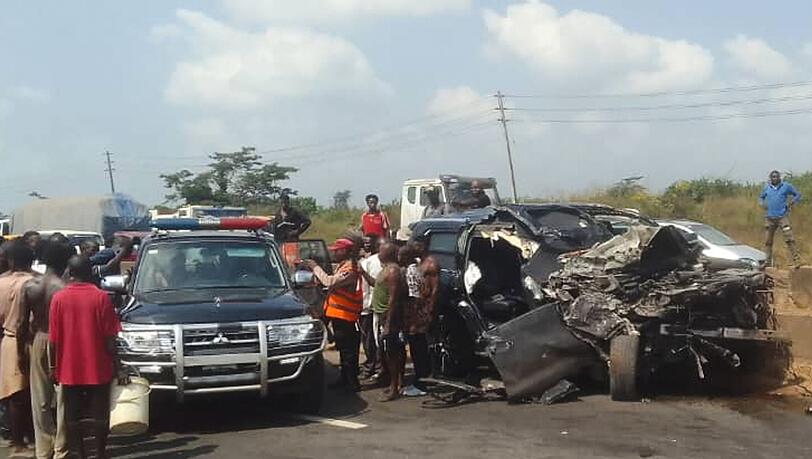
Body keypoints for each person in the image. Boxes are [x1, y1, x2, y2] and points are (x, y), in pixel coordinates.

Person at [49, 256, 123, 459]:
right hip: (98, 366)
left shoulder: (59, 298)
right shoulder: (101, 297)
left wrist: (53, 367)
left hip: (69, 366)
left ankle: (80, 454)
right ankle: (99, 453)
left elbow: (53, 339)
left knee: (71, 415)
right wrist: (119, 365)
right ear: (90, 273)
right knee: (100, 414)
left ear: (69, 273)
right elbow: (110, 338)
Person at [18, 241, 73, 459]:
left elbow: (22, 323)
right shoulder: (65, 289)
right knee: (63, 398)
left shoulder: (30, 286)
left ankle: (43, 449)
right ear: (64, 263)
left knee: (39, 399)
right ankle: (61, 449)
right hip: (62, 342)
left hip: (38, 339)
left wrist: (21, 352)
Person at [304, 238, 363, 392]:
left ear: (345, 251)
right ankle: (344, 379)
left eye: (337, 250)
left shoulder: (350, 268)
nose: (334, 253)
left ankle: (352, 383)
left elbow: (330, 282)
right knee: (343, 350)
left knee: (348, 352)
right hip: (339, 315)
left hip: (347, 316)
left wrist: (315, 267)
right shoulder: (344, 266)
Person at [0, 240, 36, 457]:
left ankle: (17, 440)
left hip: (9, 339)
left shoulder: (1, 283)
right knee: (31, 394)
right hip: (33, 340)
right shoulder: (36, 282)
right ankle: (25, 439)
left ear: (10, 260)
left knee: (13, 394)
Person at [369, 243, 406, 401]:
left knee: (392, 353)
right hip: (382, 315)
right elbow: (376, 285)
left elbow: (393, 299)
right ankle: (395, 384)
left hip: (389, 316)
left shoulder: (392, 271)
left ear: (388, 253)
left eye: (381, 251)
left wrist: (389, 323)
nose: (378, 253)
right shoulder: (385, 269)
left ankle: (394, 387)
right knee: (388, 352)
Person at [759, 170, 803, 268]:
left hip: (782, 217)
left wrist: (791, 203)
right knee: (768, 241)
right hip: (770, 218)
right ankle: (767, 261)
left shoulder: (786, 186)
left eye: (776, 176)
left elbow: (798, 194)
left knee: (789, 238)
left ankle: (797, 260)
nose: (774, 178)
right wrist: (762, 203)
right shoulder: (767, 187)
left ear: (779, 177)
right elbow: (761, 197)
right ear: (770, 178)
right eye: (773, 177)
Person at [357, 236, 383, 379]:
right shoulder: (371, 262)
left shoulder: (368, 263)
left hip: (373, 306)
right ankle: (374, 365)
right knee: (372, 338)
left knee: (373, 339)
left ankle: (374, 366)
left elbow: (368, 285)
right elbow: (365, 286)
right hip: (373, 306)